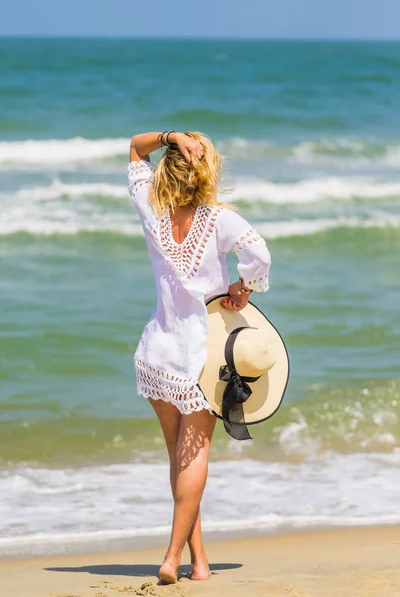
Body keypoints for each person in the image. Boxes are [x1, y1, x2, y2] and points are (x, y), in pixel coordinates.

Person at [128, 130, 271, 584]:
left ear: (169, 167)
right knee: (195, 458)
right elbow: (260, 254)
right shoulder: (219, 219)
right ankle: (172, 558)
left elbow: (135, 148)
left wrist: (171, 135)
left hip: (157, 350)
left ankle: (200, 561)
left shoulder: (151, 208)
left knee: (179, 458)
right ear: (207, 170)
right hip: (203, 356)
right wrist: (242, 288)